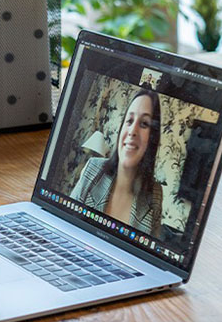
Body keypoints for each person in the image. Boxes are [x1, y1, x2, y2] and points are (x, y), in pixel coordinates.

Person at [70, 88, 164, 236]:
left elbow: (148, 252)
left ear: (152, 138)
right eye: (130, 120)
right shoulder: (93, 168)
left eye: (144, 124)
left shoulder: (155, 194)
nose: (133, 131)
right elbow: (66, 221)